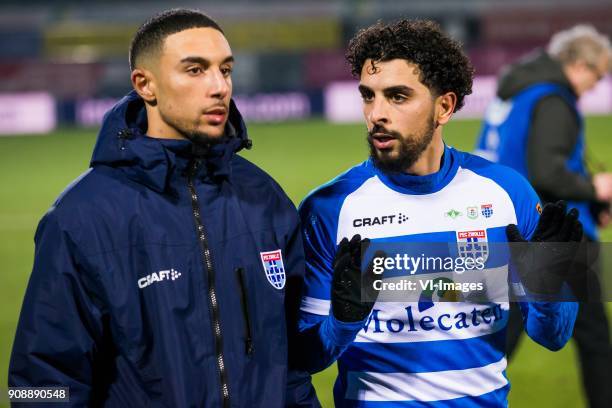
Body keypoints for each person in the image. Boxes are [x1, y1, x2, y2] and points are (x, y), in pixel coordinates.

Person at [9, 9, 317, 407]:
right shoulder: (79, 219)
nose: (219, 87)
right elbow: (40, 383)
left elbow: (291, 365)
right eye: (195, 70)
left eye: (225, 70)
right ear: (145, 85)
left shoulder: (264, 197)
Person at [293, 19, 583, 406]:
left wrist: (546, 287)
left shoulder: (506, 193)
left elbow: (553, 337)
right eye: (368, 95)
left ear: (444, 106)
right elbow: (303, 358)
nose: (376, 113)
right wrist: (341, 324)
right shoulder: (329, 208)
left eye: (397, 96)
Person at [475, 24, 612, 407]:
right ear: (581, 64)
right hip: (551, 230)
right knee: (595, 339)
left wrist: (591, 201)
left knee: (505, 328)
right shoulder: (553, 100)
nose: (596, 85)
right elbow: (547, 172)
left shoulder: (519, 91)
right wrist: (596, 190)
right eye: (598, 75)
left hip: (506, 223)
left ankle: (456, 388)